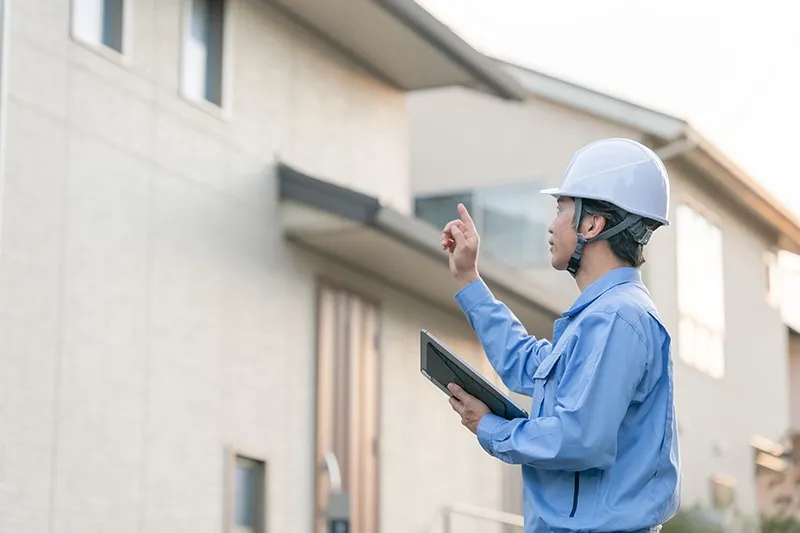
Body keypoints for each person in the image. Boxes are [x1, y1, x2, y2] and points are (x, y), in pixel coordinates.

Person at [441, 138, 681, 533]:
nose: (551, 225)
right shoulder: (600, 318)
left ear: (592, 223)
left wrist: (491, 427)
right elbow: (527, 367)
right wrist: (469, 279)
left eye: (561, 209)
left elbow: (579, 437)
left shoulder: (618, 318)